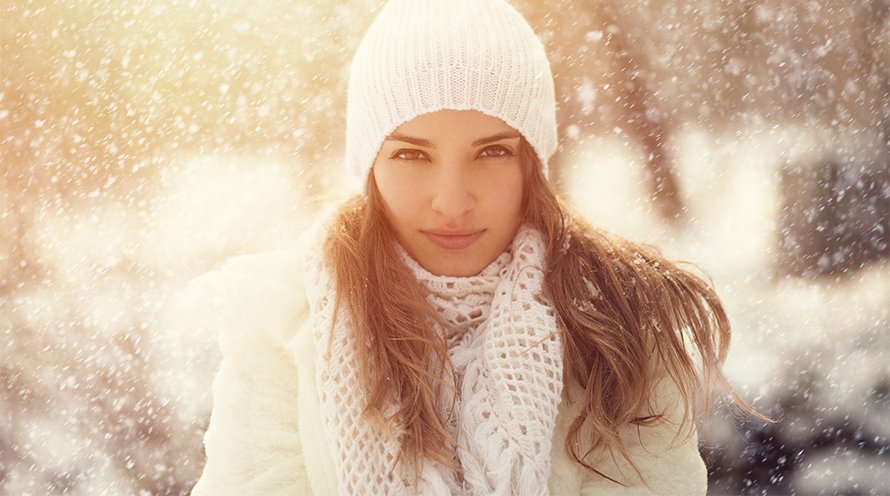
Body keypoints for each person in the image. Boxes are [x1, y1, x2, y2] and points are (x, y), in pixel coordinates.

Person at [191, 0, 750, 494]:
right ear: (369, 166)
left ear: (533, 162)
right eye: (412, 155)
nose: (452, 201)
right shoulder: (282, 328)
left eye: (492, 153)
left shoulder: (622, 330)